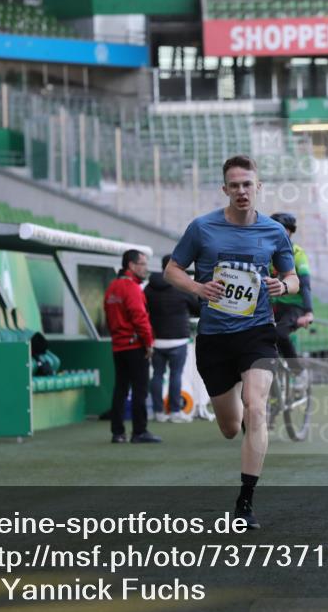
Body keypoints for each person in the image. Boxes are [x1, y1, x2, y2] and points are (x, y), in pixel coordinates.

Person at [164, 155, 298, 529]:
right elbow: (171, 270)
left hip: (257, 334)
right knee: (229, 425)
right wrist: (197, 287)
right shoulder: (202, 228)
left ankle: (245, 502)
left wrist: (283, 285)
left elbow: (292, 277)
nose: (242, 190)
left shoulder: (273, 232)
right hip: (214, 338)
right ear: (225, 189)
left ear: (259, 187)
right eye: (234, 185)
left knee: (256, 408)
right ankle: (237, 412)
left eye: (248, 184)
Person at [104, 249, 161, 444]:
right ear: (131, 265)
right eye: (143, 264)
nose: (146, 268)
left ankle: (117, 433)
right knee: (139, 389)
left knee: (120, 388)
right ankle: (139, 431)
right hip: (134, 345)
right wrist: (148, 343)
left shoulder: (112, 287)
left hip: (118, 346)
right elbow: (140, 318)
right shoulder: (132, 288)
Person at [145, 254, 201, 423]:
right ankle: (175, 411)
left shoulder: (148, 288)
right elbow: (197, 308)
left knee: (157, 375)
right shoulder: (181, 287)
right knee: (175, 375)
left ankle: (158, 412)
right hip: (179, 339)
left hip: (156, 339)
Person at [269, 212, 313, 382]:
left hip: (294, 307)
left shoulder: (297, 253)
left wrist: (308, 312)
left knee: (280, 333)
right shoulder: (266, 252)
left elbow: (305, 284)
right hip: (272, 306)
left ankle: (298, 372)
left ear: (289, 232)